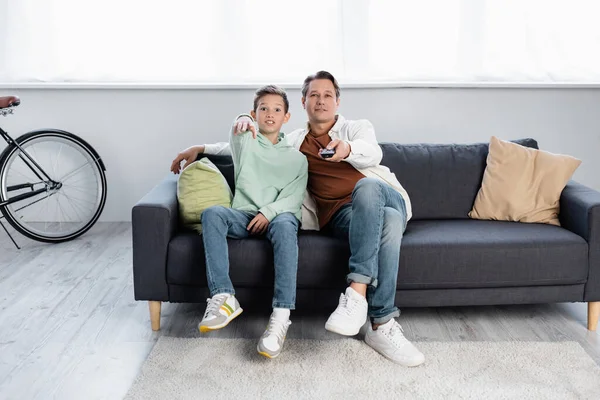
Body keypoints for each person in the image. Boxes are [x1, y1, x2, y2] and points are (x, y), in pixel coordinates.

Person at [171, 71, 424, 367]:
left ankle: (356, 295)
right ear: (303, 103)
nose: (321, 100)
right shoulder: (294, 143)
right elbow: (252, 145)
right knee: (390, 223)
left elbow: (373, 152)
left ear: (337, 102)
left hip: (382, 195)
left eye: (327, 95)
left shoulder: (355, 129)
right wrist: (201, 149)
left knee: (368, 189)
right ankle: (381, 325)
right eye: (314, 95)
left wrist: (347, 150)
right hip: (342, 216)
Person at [171, 85, 308, 359]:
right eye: (263, 109)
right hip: (243, 216)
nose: (270, 114)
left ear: (287, 117)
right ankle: (224, 297)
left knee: (284, 224)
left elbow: (293, 198)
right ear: (254, 114)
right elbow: (236, 133)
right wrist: (239, 120)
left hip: (277, 217)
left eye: (277, 110)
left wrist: (268, 212)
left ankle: (280, 317)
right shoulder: (246, 142)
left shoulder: (297, 158)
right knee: (212, 213)